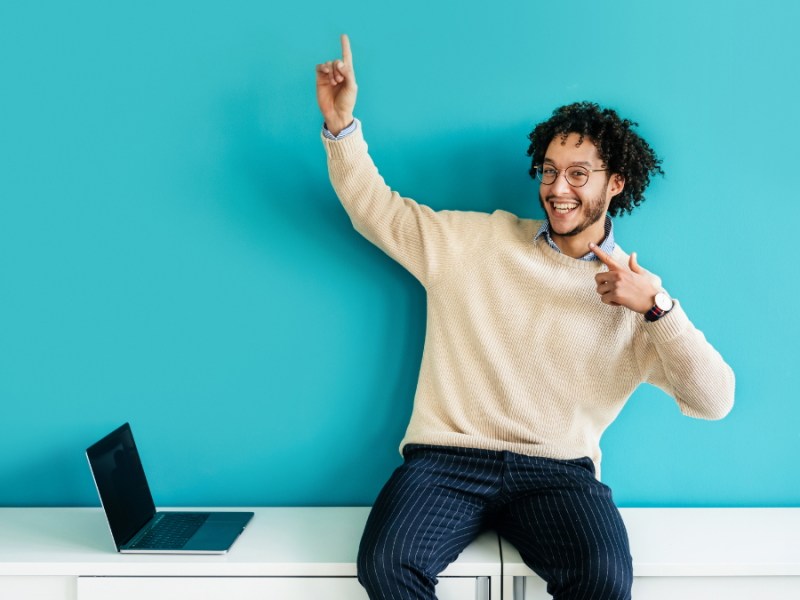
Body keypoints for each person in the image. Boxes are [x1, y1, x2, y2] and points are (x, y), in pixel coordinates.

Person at [315, 34, 735, 600]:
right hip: (447, 463)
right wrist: (342, 128)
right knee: (387, 563)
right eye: (548, 170)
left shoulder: (639, 299)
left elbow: (714, 401)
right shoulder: (474, 242)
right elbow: (376, 209)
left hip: (559, 474)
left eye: (578, 174)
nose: (557, 189)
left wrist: (658, 309)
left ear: (615, 183)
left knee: (605, 580)